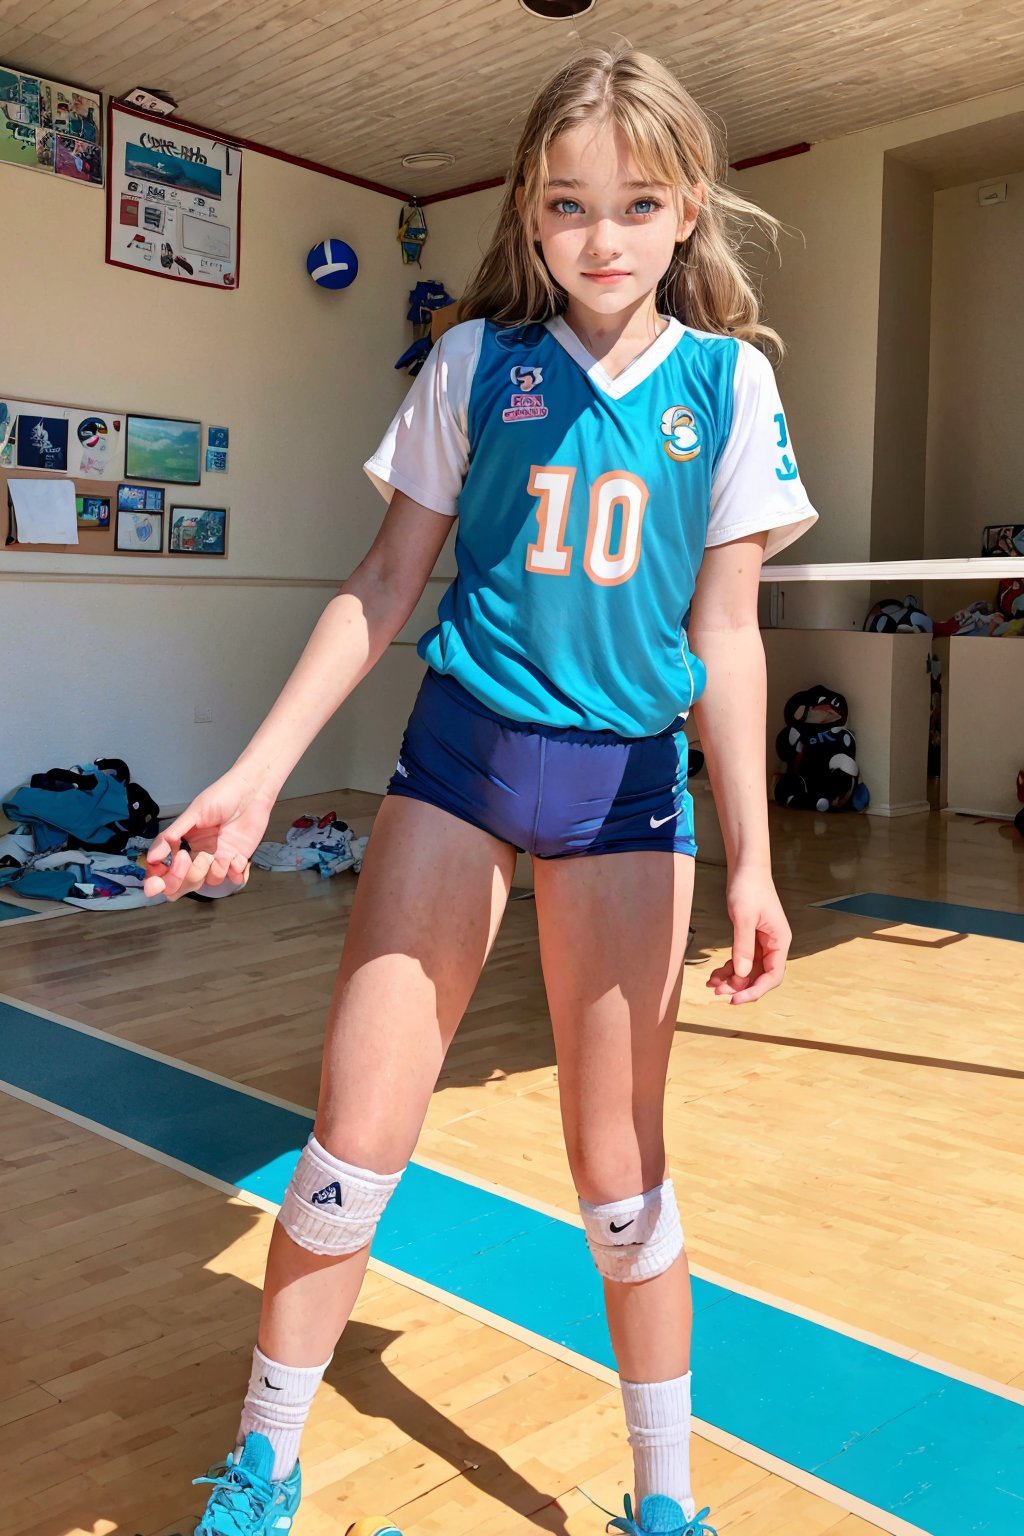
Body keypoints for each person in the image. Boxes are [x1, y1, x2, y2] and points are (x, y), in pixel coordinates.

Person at [145, 44, 817, 1536]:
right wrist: (255, 781)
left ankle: (666, 1499)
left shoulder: (731, 384)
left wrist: (759, 864)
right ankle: (260, 1472)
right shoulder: (472, 363)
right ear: (527, 208)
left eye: (639, 204)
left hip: (628, 798)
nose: (603, 236)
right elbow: (385, 583)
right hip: (456, 771)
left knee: (622, 1181)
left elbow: (725, 639)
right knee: (345, 1159)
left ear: (690, 209)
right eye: (570, 205)